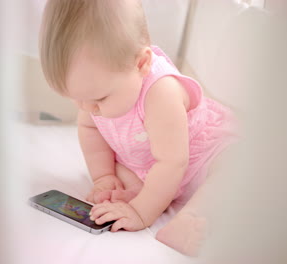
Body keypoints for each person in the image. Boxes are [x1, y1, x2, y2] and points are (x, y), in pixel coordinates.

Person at [39, 0, 238, 256]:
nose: (88, 109)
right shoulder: (97, 92)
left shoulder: (161, 93)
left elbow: (172, 162)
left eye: (99, 99)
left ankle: (190, 218)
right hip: (146, 167)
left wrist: (140, 211)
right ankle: (142, 190)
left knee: (236, 166)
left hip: (197, 158)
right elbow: (91, 131)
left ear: (142, 64)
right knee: (118, 169)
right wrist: (104, 177)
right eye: (76, 98)